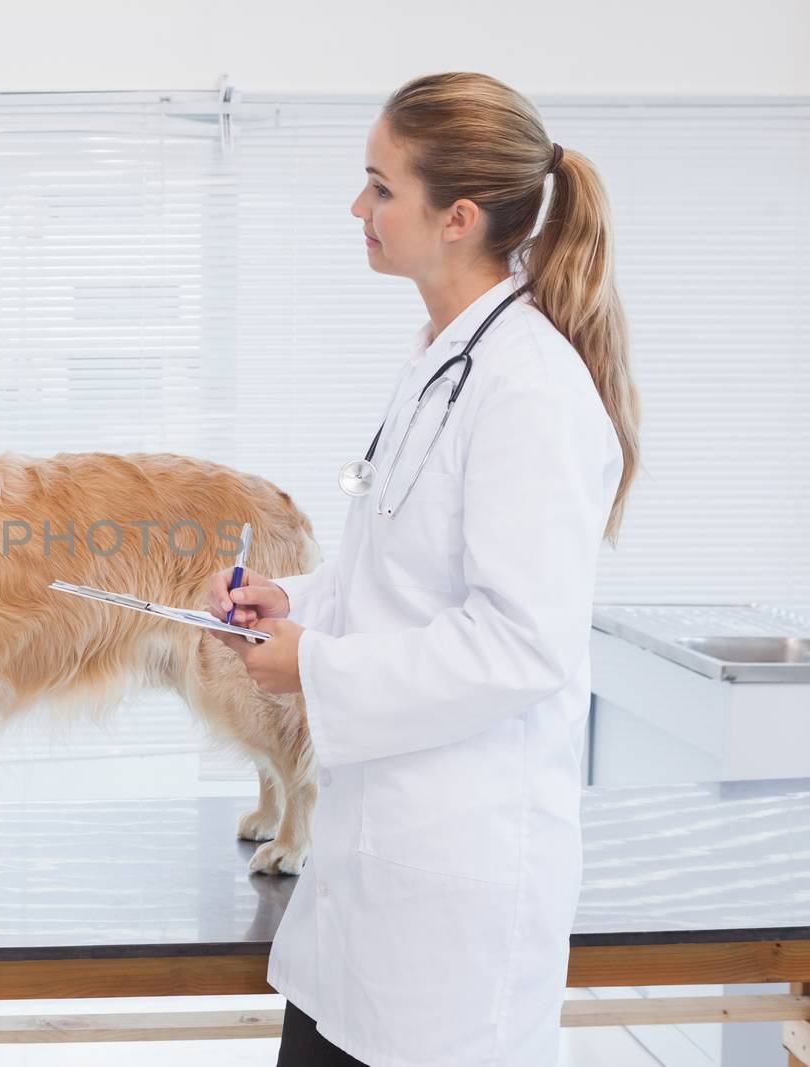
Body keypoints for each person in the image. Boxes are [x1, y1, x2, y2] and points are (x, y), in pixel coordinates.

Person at [208, 73, 639, 1066]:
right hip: (371, 886)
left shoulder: (529, 389)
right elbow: (409, 575)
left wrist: (310, 665)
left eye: (378, 187)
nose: (356, 208)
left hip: (455, 901)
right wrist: (294, 602)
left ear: (457, 216)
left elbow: (520, 643)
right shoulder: (444, 362)